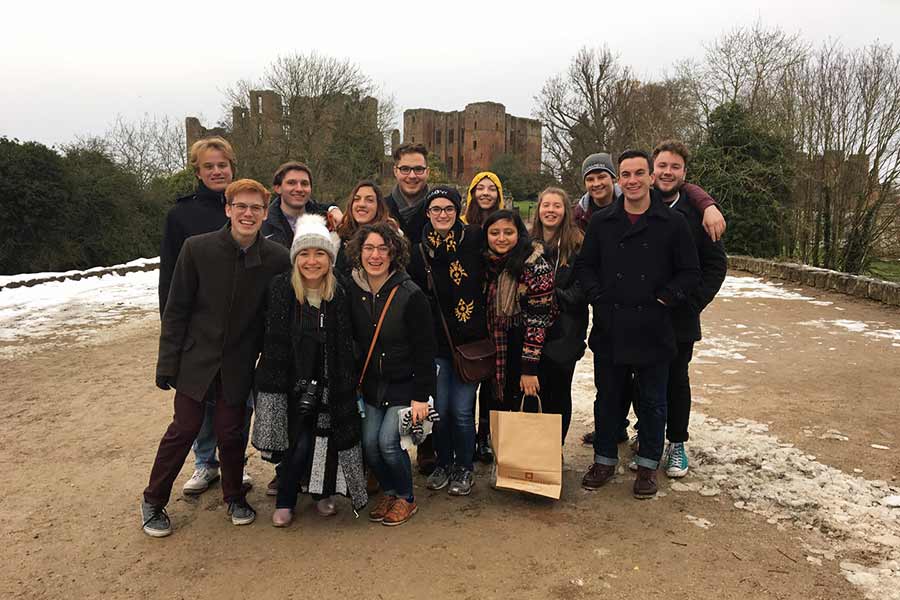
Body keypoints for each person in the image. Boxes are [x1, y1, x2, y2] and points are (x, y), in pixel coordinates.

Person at [141, 179, 290, 537]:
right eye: (241, 206)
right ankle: (153, 499)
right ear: (228, 209)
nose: (248, 213)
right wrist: (167, 363)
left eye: (256, 207)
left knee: (231, 430)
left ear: (264, 212)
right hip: (197, 359)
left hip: (239, 361)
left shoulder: (276, 258)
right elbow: (177, 310)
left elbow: (277, 316)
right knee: (184, 428)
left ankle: (234, 495)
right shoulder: (197, 249)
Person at [577, 151, 724, 448]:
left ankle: (668, 446)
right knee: (614, 387)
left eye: (640, 174)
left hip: (668, 317)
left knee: (667, 386)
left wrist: (680, 301)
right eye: (626, 175)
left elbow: (702, 268)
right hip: (617, 317)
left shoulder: (684, 215)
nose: (633, 180)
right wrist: (599, 298)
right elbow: (586, 265)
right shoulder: (594, 217)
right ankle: (615, 439)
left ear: (649, 178)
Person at [253, 214, 367, 527]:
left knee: (326, 440)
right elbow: (272, 342)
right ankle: (286, 498)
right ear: (295, 258)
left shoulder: (340, 291)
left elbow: (352, 338)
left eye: (319, 254)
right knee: (297, 444)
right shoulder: (280, 289)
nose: (312, 261)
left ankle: (322, 493)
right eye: (304, 253)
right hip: (291, 381)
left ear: (329, 258)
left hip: (332, 379)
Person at [157, 136, 252, 495]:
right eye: (209, 166)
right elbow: (170, 279)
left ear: (232, 167)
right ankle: (204, 462)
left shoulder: (246, 206)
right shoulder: (181, 215)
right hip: (200, 327)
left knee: (235, 406)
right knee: (198, 403)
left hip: (238, 328)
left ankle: (233, 466)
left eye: (222, 165)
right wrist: (171, 330)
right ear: (197, 171)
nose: (217, 171)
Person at [346, 222, 437, 526]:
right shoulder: (352, 290)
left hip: (404, 384)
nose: (375, 255)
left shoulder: (410, 294)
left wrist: (421, 397)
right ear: (359, 252)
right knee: (369, 444)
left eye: (382, 248)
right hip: (371, 386)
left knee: (388, 442)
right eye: (369, 248)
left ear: (394, 253)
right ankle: (389, 490)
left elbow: (426, 349)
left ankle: (406, 498)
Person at [651, 140, 727, 478]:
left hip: (679, 314)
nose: (667, 172)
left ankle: (676, 442)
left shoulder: (698, 214)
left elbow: (716, 266)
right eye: (662, 166)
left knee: (676, 380)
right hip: (642, 312)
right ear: (653, 170)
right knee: (642, 377)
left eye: (675, 167)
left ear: (684, 172)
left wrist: (693, 303)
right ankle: (648, 432)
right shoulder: (639, 202)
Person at [408, 186, 487, 496]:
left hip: (469, 344)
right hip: (436, 343)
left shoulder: (474, 240)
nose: (442, 215)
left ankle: (464, 467)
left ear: (458, 212)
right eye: (436, 209)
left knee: (463, 411)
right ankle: (443, 462)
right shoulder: (419, 251)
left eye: (449, 209)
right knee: (439, 409)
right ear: (428, 213)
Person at [483, 210, 556, 410]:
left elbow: (538, 322)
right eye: (494, 232)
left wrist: (529, 370)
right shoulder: (486, 263)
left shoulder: (534, 265)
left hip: (525, 354)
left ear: (519, 233)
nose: (501, 238)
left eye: (508, 232)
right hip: (495, 354)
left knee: (523, 417)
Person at [530, 188, 587, 443]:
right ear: (538, 209)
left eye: (557, 206)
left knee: (559, 393)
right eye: (546, 205)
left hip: (565, 332)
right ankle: (532, 450)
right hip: (532, 333)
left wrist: (552, 297)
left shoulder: (577, 243)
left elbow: (583, 287)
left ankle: (554, 449)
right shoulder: (527, 243)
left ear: (566, 211)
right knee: (532, 392)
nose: (550, 210)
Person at [573, 152, 726, 241]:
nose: (596, 183)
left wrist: (708, 205)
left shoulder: (640, 197)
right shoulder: (579, 215)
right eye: (590, 179)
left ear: (614, 179)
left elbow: (680, 186)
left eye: (601, 177)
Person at [461, 170, 505, 462]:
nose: (486, 193)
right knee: (467, 376)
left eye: (492, 188)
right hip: (469, 310)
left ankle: (486, 436)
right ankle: (466, 434)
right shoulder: (463, 227)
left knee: (493, 379)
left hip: (496, 311)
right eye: (481, 188)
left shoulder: (505, 225)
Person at [262, 161, 343, 248]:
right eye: (291, 183)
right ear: (278, 188)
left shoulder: (327, 219)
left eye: (304, 184)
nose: (299, 189)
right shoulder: (263, 224)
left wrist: (333, 209)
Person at [335, 180, 397, 281]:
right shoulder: (339, 237)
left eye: (369, 200)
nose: (362, 204)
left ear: (379, 206)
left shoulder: (391, 240)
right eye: (357, 199)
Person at [384, 143, 431, 245]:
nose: (412, 176)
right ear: (395, 171)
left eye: (418, 169)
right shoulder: (380, 209)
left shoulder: (440, 212)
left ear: (427, 172)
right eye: (405, 169)